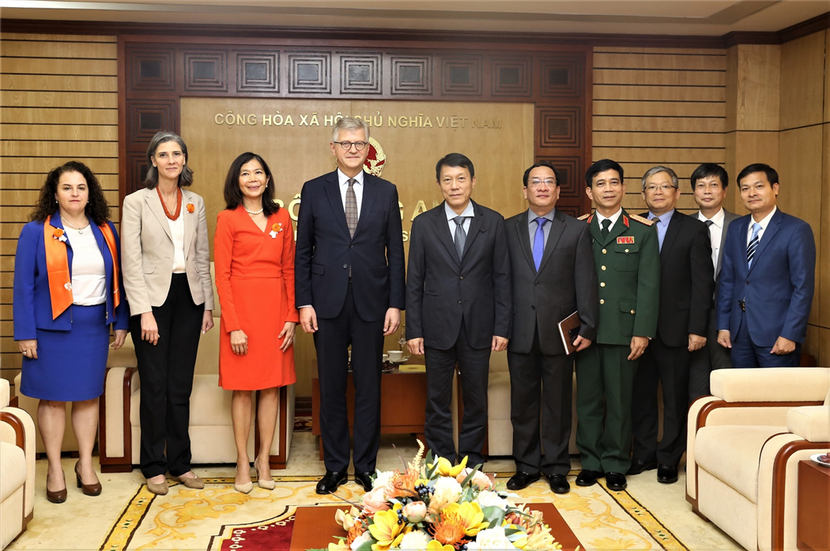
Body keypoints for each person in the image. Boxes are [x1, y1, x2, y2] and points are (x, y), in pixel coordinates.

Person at [295, 117, 405, 494]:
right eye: (346, 143)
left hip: (373, 302)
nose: (353, 149)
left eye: (360, 143)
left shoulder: (385, 191)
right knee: (331, 387)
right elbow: (303, 253)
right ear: (334, 148)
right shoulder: (314, 190)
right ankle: (336, 467)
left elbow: (396, 251)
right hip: (325, 303)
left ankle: (367, 467)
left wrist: (396, 303)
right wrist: (304, 302)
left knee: (369, 386)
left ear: (368, 147)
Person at [13, 161, 129, 503]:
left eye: (81, 187)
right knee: (52, 398)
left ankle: (84, 465)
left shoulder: (106, 229)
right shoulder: (36, 230)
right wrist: (26, 333)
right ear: (55, 193)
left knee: (87, 395)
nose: (75, 194)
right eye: (67, 188)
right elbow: (23, 287)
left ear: (89, 192)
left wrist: (119, 321)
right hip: (50, 328)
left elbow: (118, 278)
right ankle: (53, 468)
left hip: (93, 326)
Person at [121, 131, 215, 495]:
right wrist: (143, 312)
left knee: (180, 386)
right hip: (152, 301)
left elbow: (202, 257)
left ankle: (181, 464)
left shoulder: (196, 202)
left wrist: (207, 304)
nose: (172, 159)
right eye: (164, 154)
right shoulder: (136, 202)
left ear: (184, 160)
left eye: (177, 153)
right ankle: (154, 466)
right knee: (156, 386)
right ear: (154, 161)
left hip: (188, 298)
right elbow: (130, 262)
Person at [406, 153, 512, 468]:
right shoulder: (424, 224)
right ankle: (441, 461)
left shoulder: (492, 222)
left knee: (476, 401)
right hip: (437, 325)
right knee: (438, 401)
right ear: (439, 184)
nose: (455, 186)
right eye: (448, 180)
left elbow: (502, 278)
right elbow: (414, 281)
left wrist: (502, 327)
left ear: (472, 181)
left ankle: (471, 461)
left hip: (479, 325)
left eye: (461, 178)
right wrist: (414, 330)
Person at [504, 161, 598, 494]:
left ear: (558, 191)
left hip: (561, 333)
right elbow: (502, 283)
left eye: (549, 182)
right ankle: (526, 466)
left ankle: (557, 467)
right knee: (523, 405)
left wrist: (587, 326)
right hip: (519, 331)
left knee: (558, 404)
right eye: (535, 182)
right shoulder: (508, 228)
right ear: (525, 190)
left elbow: (586, 281)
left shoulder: (576, 230)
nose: (542, 187)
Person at [215, 152, 298, 494]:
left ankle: (263, 459)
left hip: (276, 313)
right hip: (242, 315)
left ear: (267, 179)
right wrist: (233, 324)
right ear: (236, 180)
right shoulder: (227, 218)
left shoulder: (281, 217)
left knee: (271, 386)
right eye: (245, 173)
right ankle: (241, 460)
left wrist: (292, 316)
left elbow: (290, 270)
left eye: (258, 172)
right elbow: (222, 274)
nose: (252, 178)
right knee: (243, 388)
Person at [574, 159, 659, 492]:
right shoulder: (578, 228)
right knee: (588, 401)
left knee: (621, 401)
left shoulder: (642, 230)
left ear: (623, 188)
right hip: (586, 330)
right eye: (600, 184)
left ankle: (615, 463)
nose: (607, 189)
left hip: (624, 330)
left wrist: (643, 330)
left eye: (613, 183)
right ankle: (591, 462)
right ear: (589, 191)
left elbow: (649, 285)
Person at [629, 166, 713, 484]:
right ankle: (644, 454)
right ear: (643, 194)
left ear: (677, 193)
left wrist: (698, 328)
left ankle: (668, 458)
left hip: (677, 329)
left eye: (665, 187)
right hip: (638, 328)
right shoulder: (632, 225)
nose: (659, 192)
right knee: (641, 394)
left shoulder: (692, 229)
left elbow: (702, 284)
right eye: (652, 187)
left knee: (675, 398)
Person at [717, 163, 816, 368]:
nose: (751, 193)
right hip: (738, 333)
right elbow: (727, 280)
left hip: (777, 334)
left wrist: (790, 334)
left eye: (759, 186)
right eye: (745, 188)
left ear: (775, 188)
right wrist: (723, 325)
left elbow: (803, 288)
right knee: (743, 397)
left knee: (777, 398)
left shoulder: (796, 229)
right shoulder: (736, 228)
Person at [688, 163, 739, 400]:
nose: (707, 190)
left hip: (730, 317)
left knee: (727, 382)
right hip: (691, 317)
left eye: (713, 185)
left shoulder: (742, 225)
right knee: (695, 385)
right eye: (701, 185)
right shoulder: (683, 226)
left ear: (725, 190)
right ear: (693, 192)